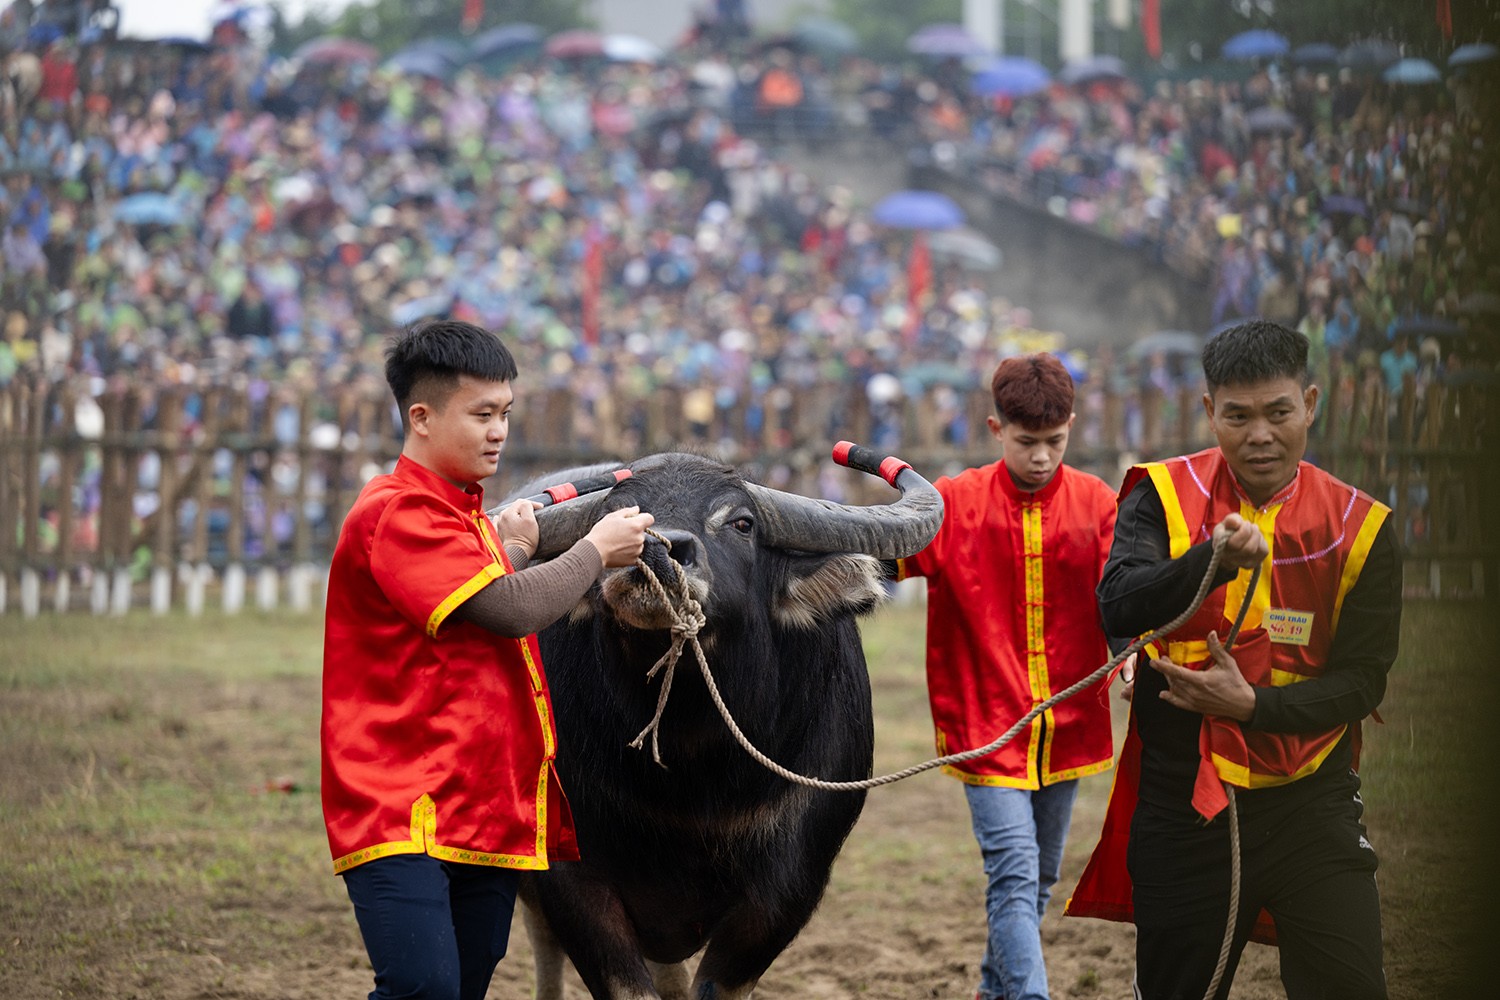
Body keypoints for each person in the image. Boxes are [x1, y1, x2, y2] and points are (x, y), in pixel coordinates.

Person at [1067, 320, 1401, 1000]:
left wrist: (1253, 707)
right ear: (1208, 412)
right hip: (1186, 801)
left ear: (1309, 404)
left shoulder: (1360, 527)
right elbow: (1118, 606)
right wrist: (1209, 561)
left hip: (1314, 801)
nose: (1260, 435)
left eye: (1279, 413)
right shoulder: (1158, 493)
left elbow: (1363, 681)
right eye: (1238, 416)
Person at [321, 319, 653, 1000]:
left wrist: (518, 552)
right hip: (405, 803)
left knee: (463, 989)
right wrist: (596, 550)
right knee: (423, 988)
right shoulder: (397, 511)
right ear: (421, 416)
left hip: (482, 801)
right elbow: (508, 611)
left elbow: (478, 604)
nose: (498, 430)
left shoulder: (466, 522)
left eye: (504, 413)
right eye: (480, 415)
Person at [893, 353, 1119, 1000]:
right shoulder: (952, 504)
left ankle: (994, 993)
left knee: (1040, 878)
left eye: (1054, 441)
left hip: (1069, 724)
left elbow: (1126, 597)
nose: (1042, 457)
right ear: (996, 429)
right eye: (1026, 442)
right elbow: (880, 567)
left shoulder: (1099, 506)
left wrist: (1129, 650)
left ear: (1071, 426)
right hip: (984, 722)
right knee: (1016, 875)